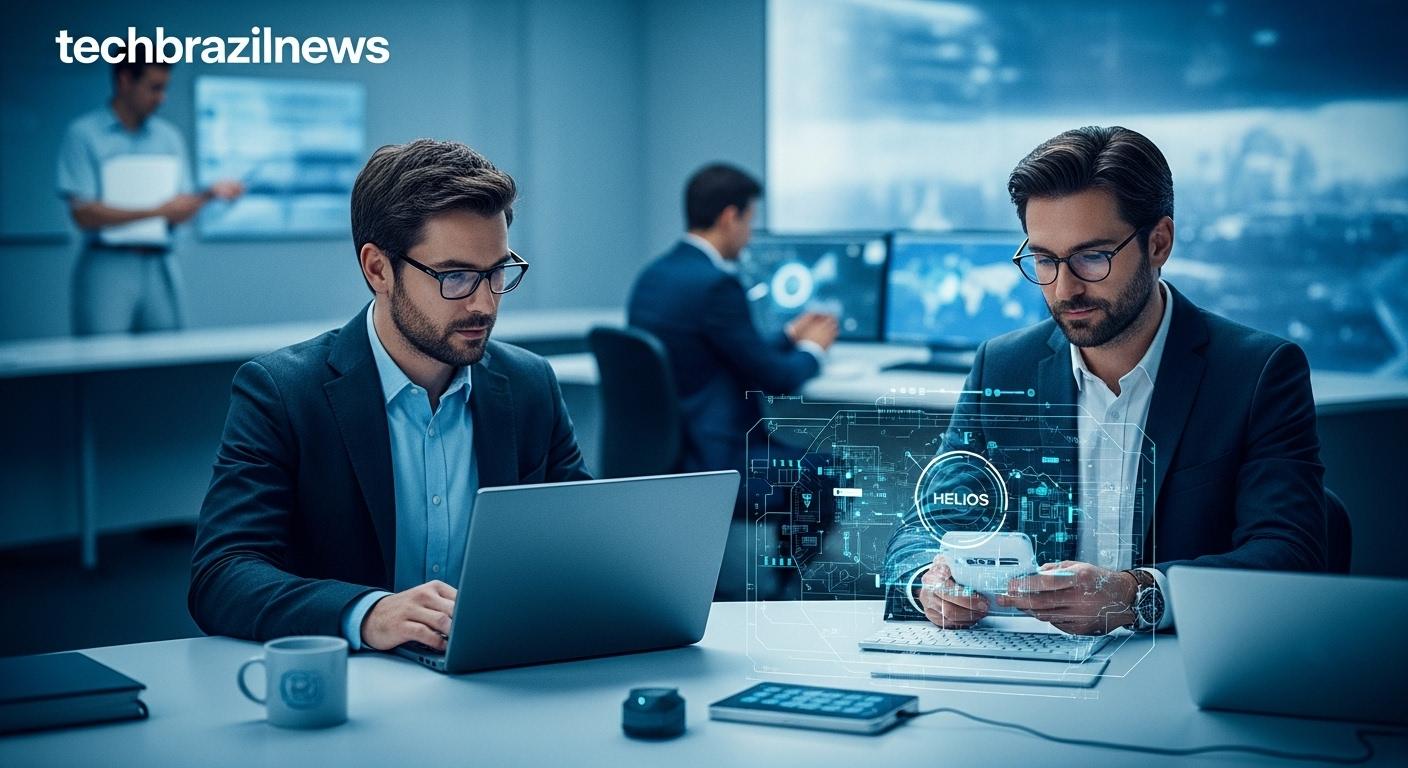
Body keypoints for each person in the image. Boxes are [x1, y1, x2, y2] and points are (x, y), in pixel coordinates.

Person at [885, 126, 1328, 635]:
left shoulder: (1258, 372)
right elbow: (927, 523)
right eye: (1045, 260)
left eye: (1092, 257)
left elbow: (1290, 554)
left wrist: (1136, 596)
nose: (1064, 287)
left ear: (1158, 243)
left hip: (1182, 667)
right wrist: (927, 581)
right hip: (1035, 669)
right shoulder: (1002, 365)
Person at [189, 139, 589, 652]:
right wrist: (369, 613)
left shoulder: (531, 385)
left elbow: (581, 550)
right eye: (456, 276)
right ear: (378, 269)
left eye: (496, 273)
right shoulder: (282, 393)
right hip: (350, 688)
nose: (484, 303)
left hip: (498, 677)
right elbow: (222, 576)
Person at [627, 163, 838, 475]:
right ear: (729, 218)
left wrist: (791, 334)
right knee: (827, 473)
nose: (749, 236)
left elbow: (720, 352)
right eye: (749, 222)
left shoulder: (653, 276)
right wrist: (814, 349)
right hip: (718, 456)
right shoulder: (717, 285)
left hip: (665, 454)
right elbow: (777, 380)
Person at [56, 52, 243, 335]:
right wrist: (157, 211)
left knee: (165, 358)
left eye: (164, 88)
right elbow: (84, 213)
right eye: (154, 88)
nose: (162, 98)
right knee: (101, 360)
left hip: (159, 263)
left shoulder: (168, 137)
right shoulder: (84, 134)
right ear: (125, 80)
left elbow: (178, 210)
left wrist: (209, 195)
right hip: (107, 263)